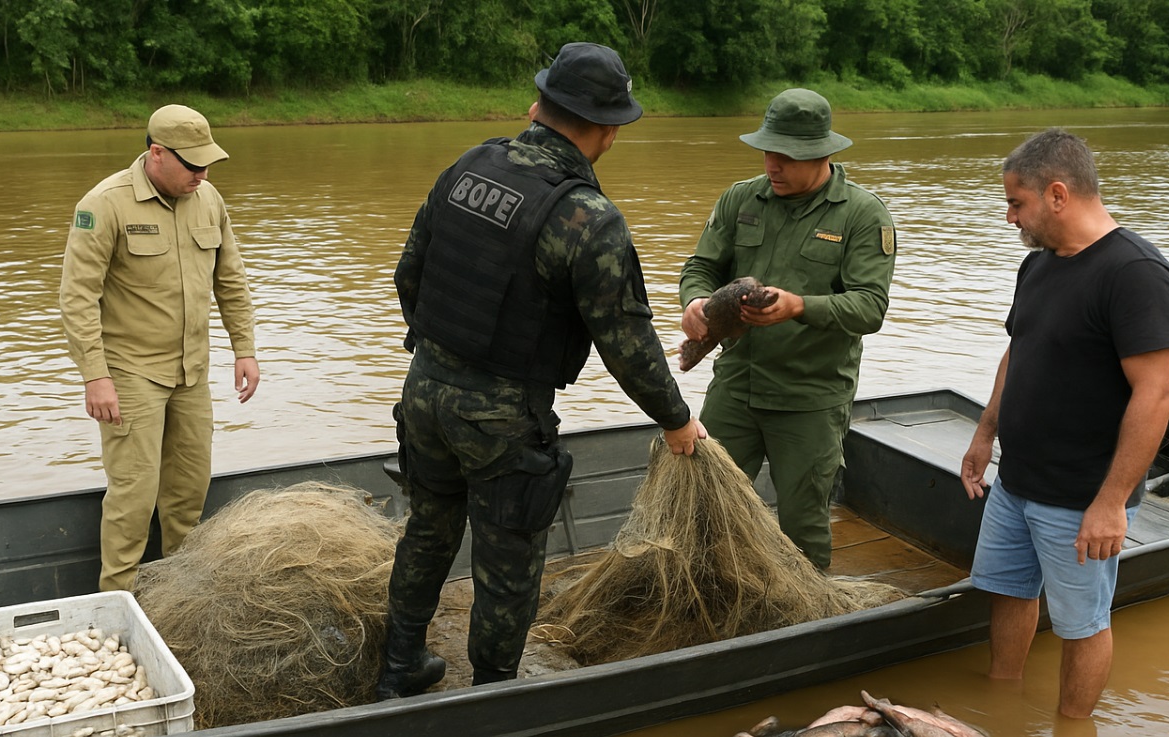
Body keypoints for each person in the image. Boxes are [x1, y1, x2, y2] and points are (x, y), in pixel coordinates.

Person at [382, 41, 706, 697]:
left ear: (540, 106)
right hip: (502, 416)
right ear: (608, 129)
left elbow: (407, 275)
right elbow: (626, 343)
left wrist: (445, 353)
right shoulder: (586, 217)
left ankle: (398, 669)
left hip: (424, 390)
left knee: (427, 530)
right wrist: (676, 419)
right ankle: (497, 692)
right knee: (507, 560)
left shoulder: (467, 165)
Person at [960, 128, 1169, 718]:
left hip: (1083, 496)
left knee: (1082, 623)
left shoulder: (1135, 274)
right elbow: (1019, 350)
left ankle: (1073, 728)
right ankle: (1002, 706)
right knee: (1009, 593)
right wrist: (986, 433)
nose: (1010, 218)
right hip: (1017, 482)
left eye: (1017, 203)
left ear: (1057, 194)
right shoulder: (1038, 266)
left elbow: (1158, 392)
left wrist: (1111, 501)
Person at [678, 88, 896, 570]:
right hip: (736, 387)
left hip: (810, 398)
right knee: (704, 506)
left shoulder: (862, 214)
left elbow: (869, 307)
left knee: (801, 522)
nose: (772, 165)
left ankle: (806, 623)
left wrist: (801, 307)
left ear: (822, 153)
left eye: (785, 156)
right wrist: (694, 301)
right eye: (767, 152)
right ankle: (706, 595)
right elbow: (701, 266)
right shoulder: (741, 197)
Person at [60, 104, 259, 593]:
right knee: (133, 494)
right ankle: (117, 602)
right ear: (156, 154)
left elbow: (230, 280)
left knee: (189, 491)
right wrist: (95, 376)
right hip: (129, 373)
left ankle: (179, 598)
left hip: (191, 372)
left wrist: (245, 349)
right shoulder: (104, 204)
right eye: (192, 164)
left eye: (207, 163)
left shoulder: (209, 199)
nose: (202, 173)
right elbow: (76, 296)